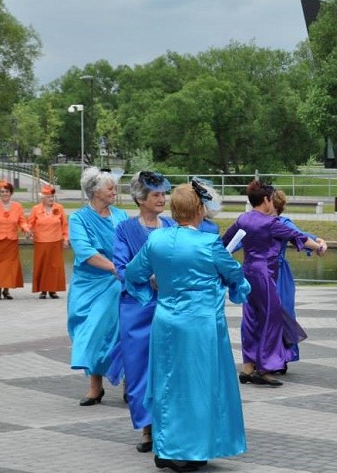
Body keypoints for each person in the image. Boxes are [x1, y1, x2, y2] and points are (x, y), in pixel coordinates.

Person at [125, 182, 250, 471]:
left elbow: (132, 274)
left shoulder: (156, 240)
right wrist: (239, 289)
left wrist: (150, 291)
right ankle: (190, 450)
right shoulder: (208, 243)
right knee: (198, 385)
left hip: (166, 321)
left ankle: (166, 447)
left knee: (168, 382)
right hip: (200, 326)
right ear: (199, 210)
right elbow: (235, 275)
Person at [222, 180, 326, 387]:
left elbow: (224, 242)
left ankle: (248, 366)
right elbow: (299, 237)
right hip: (264, 274)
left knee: (251, 318)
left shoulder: (243, 219)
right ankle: (265, 367)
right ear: (266, 200)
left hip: (247, 272)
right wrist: (319, 247)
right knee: (271, 318)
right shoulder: (271, 223)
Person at [114, 171, 176, 453]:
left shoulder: (173, 226)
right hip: (137, 308)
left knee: (170, 368)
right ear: (140, 199)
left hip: (170, 307)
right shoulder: (125, 230)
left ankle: (169, 426)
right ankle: (147, 429)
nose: (162, 198)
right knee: (139, 369)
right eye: (156, 195)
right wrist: (147, 279)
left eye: (164, 193)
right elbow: (120, 268)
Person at [67, 167, 128, 406]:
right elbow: (85, 252)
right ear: (95, 191)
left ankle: (128, 384)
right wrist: (115, 268)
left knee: (121, 329)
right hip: (89, 283)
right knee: (91, 330)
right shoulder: (78, 219)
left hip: (117, 282)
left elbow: (133, 246)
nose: (115, 191)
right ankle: (95, 387)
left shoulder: (121, 216)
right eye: (110, 188)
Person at [272, 190, 325, 370]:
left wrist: (317, 241)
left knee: (281, 313)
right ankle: (271, 357)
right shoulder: (270, 222)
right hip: (268, 273)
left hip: (277, 274)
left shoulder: (282, 222)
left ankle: (280, 356)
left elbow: (299, 234)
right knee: (272, 313)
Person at [0, 180, 31, 300]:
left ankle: (6, 291)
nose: (5, 194)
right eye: (2, 191)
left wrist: (26, 228)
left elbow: (22, 221)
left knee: (9, 266)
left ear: (11, 193)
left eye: (7, 191)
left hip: (11, 241)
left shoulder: (17, 206)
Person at [27, 185, 69, 299]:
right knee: (42, 265)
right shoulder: (36, 209)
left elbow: (64, 225)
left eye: (52, 197)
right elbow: (30, 223)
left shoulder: (59, 208)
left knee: (54, 266)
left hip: (55, 241)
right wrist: (28, 231)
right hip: (41, 241)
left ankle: (53, 290)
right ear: (43, 198)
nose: (51, 199)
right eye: (48, 197)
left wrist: (65, 239)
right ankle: (43, 290)